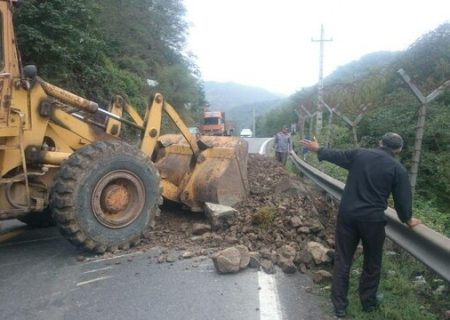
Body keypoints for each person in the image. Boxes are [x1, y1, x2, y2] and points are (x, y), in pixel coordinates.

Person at [300, 133, 422, 318]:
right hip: (372, 221)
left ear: (380, 142)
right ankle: (368, 302)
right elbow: (402, 203)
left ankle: (339, 306)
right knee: (372, 263)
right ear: (398, 150)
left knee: (343, 259)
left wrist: (318, 149)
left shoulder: (359, 154)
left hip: (347, 216)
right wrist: (409, 220)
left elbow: (335, 155)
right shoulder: (398, 169)